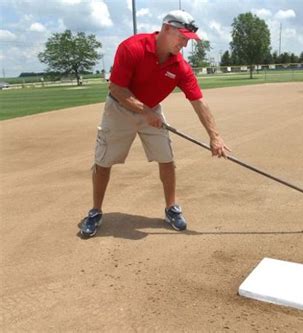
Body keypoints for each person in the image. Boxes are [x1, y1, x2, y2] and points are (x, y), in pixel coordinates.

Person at [80, 10, 230, 237]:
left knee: (167, 159)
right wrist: (145, 111)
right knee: (103, 162)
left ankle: (171, 208)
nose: (185, 44)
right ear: (167, 29)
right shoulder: (132, 47)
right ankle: (95, 211)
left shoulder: (180, 66)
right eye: (183, 37)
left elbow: (198, 101)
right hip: (119, 109)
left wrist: (214, 136)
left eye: (188, 40)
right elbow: (117, 88)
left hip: (152, 111)